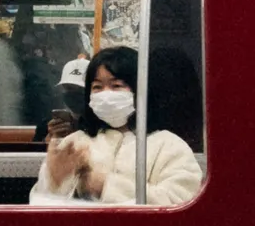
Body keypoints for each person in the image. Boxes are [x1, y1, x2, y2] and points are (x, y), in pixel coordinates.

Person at [30, 46, 202, 205]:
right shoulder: (74, 143)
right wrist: (55, 181)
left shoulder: (169, 146)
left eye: (116, 85)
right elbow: (42, 208)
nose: (106, 94)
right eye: (97, 86)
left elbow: (181, 203)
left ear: (140, 90)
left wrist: (104, 185)